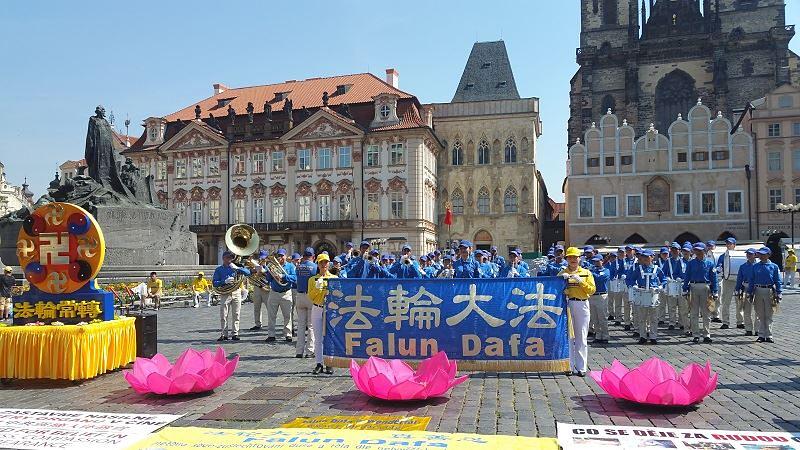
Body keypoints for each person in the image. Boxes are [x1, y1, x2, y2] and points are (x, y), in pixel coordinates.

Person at [559, 247, 596, 377]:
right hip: (567, 305)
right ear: (567, 259)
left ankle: (581, 367)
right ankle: (568, 365)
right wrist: (562, 285)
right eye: (570, 257)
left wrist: (581, 282)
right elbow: (557, 291)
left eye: (575, 257)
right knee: (568, 336)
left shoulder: (586, 273)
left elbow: (591, 290)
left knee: (581, 336)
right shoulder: (562, 273)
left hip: (582, 304)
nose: (573, 260)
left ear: (579, 258)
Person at [626, 249, 666, 344]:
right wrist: (634, 285)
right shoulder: (639, 269)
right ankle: (642, 336)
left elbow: (663, 279)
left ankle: (653, 336)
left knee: (653, 317)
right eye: (643, 257)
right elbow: (630, 279)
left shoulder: (657, 269)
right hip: (642, 293)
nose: (645, 259)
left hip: (653, 293)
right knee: (642, 317)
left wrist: (660, 287)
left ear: (652, 257)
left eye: (647, 257)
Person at [308, 253, 337, 374]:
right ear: (318, 264)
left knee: (329, 338)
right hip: (317, 308)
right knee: (318, 337)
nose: (324, 264)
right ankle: (319, 363)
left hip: (330, 310)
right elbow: (311, 297)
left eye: (325, 262)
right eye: (321, 262)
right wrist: (317, 287)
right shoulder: (312, 279)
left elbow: (338, 295)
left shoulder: (334, 278)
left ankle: (329, 363)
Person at [683, 243, 718, 343]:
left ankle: (707, 334)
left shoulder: (710, 263)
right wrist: (685, 288)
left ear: (704, 251)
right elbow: (687, 277)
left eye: (700, 250)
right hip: (693, 287)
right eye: (696, 250)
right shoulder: (691, 263)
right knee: (694, 312)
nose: (698, 252)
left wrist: (715, 291)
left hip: (706, 287)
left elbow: (714, 278)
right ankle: (696, 334)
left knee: (706, 312)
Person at [213, 251, 251, 341]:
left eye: (231, 258)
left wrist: (237, 268)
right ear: (223, 258)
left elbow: (248, 272)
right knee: (224, 315)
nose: (230, 260)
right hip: (225, 293)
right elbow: (214, 283)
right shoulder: (219, 269)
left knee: (236, 314)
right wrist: (224, 281)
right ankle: (224, 334)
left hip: (236, 292)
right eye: (228, 258)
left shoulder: (236, 267)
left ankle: (235, 333)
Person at [748, 247, 782, 343]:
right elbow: (751, 280)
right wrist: (749, 293)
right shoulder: (755, 266)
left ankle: (769, 335)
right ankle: (761, 335)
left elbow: (778, 281)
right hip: (758, 290)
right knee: (760, 314)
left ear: (768, 255)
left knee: (769, 314)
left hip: (769, 291)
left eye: (763, 254)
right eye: (760, 254)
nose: (761, 256)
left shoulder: (774, 266)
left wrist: (779, 293)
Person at [265, 249, 298, 343]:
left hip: (286, 292)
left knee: (287, 315)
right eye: (278, 256)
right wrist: (269, 272)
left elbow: (295, 278)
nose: (280, 258)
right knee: (271, 315)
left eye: (282, 255)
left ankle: (288, 334)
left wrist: (283, 276)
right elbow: (268, 279)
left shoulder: (291, 266)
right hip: (274, 292)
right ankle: (271, 335)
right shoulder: (272, 266)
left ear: (285, 256)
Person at [294, 248, 318, 358]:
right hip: (310, 296)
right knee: (311, 325)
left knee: (301, 325)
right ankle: (309, 351)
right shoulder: (315, 267)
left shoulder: (298, 267)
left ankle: (299, 351)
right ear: (313, 256)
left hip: (299, 296)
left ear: (304, 256)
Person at [717, 237, 740, 329]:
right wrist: (719, 269)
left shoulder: (739, 255)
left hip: (738, 280)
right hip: (727, 280)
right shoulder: (722, 256)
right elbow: (719, 267)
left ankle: (740, 321)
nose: (728, 245)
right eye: (727, 244)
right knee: (726, 301)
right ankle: (725, 321)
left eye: (730, 244)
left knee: (739, 301)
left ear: (734, 245)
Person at [662, 243, 686, 331]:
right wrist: (666, 280)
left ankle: (681, 323)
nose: (674, 251)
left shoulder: (683, 261)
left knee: (681, 305)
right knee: (671, 305)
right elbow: (663, 273)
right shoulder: (668, 261)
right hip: (671, 284)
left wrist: (683, 279)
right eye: (672, 250)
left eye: (676, 250)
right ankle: (672, 322)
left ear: (679, 250)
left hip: (681, 284)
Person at [735, 249, 757, 336]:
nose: (748, 255)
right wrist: (737, 289)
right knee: (747, 310)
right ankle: (748, 329)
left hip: (756, 288)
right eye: (747, 254)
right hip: (746, 288)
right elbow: (739, 279)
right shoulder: (743, 266)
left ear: (755, 255)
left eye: (750, 254)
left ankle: (758, 329)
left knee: (758, 311)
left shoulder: (758, 265)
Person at [588, 255, 610, 344]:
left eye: (598, 261)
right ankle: (598, 335)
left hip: (601, 296)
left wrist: (590, 273)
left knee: (602, 317)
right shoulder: (592, 270)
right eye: (594, 261)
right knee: (594, 317)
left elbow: (599, 279)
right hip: (592, 295)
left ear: (602, 261)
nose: (596, 263)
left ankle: (605, 335)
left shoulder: (606, 270)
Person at [249, 250, 270, 331]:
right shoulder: (256, 265)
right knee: (256, 307)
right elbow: (250, 274)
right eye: (261, 258)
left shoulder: (270, 266)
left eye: (264, 258)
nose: (262, 260)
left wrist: (265, 272)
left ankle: (271, 323)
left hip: (266, 287)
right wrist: (254, 270)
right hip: (257, 287)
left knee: (269, 308)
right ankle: (258, 324)